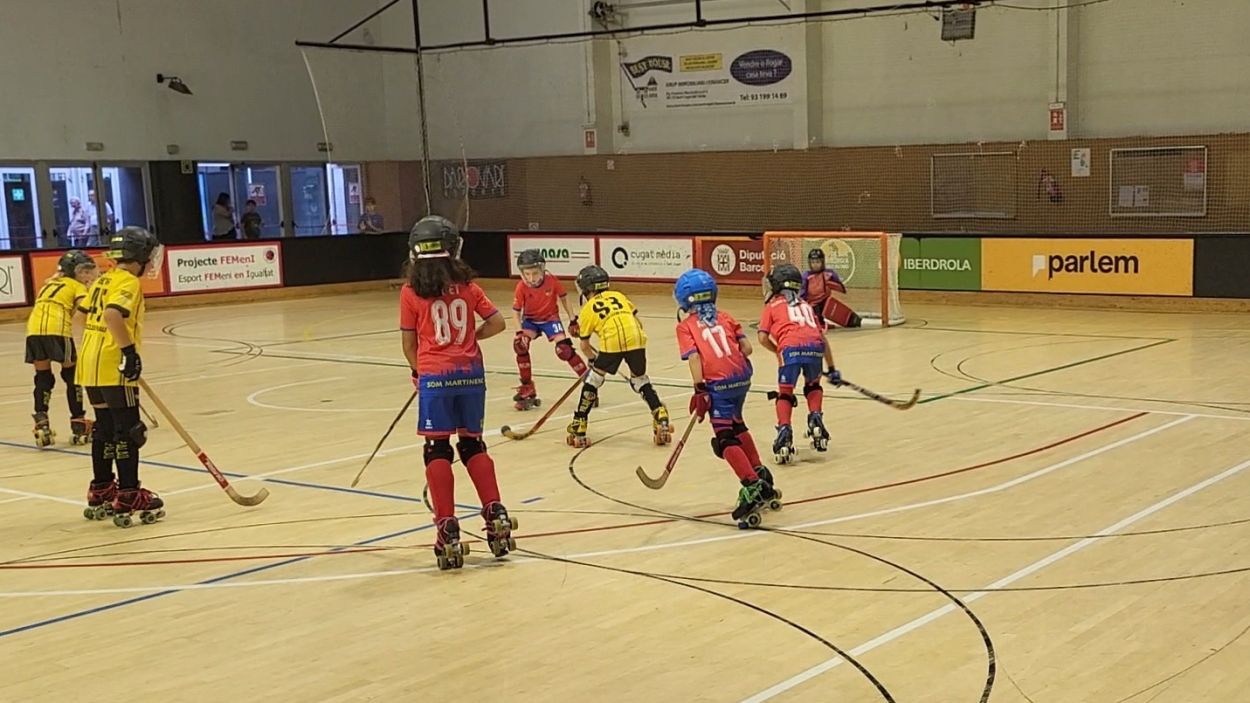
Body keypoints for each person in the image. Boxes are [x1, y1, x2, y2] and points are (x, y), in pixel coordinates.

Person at [400, 215, 515, 570]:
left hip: (436, 377)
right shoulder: (468, 286)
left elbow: (409, 344)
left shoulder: (410, 291)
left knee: (437, 449)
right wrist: (470, 339)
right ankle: (495, 511)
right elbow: (497, 322)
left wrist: (419, 372)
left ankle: (447, 525)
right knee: (471, 445)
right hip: (470, 375)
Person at [674, 269, 781, 528]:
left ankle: (752, 485)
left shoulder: (685, 326)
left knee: (724, 437)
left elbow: (695, 357)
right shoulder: (726, 317)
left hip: (717, 384)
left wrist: (699, 388)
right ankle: (759, 471)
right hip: (743, 378)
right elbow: (747, 348)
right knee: (737, 423)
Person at [76, 227, 165, 526]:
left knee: (103, 428)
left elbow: (81, 315)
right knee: (128, 430)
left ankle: (101, 487)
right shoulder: (127, 282)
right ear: (138, 256)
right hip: (114, 364)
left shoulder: (103, 278)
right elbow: (113, 314)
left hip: (90, 363)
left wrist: (97, 344)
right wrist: (128, 352)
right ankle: (129, 492)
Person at [568, 265, 670, 448]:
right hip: (637, 338)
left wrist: (593, 360)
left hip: (612, 342)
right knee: (640, 380)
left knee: (594, 380)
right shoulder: (619, 296)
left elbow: (584, 345)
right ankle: (659, 412)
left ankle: (579, 423)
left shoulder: (587, 309)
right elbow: (637, 321)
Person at [757, 263, 841, 464]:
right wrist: (831, 368)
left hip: (789, 349)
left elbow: (762, 338)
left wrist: (778, 350)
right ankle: (815, 419)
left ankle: (784, 431)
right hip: (815, 348)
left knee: (785, 393)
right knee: (813, 385)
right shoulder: (807, 306)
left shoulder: (772, 306)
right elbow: (822, 338)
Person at [26, 250, 99, 448]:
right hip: (57, 329)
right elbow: (85, 311)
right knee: (72, 375)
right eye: (83, 271)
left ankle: (41, 423)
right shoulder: (77, 287)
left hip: (33, 330)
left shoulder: (48, 284)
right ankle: (78, 422)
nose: (86, 275)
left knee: (43, 377)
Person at [510, 249, 588, 411]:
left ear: (543, 270)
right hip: (531, 321)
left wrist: (573, 319)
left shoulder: (552, 281)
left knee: (564, 350)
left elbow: (564, 299)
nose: (532, 278)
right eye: (527, 274)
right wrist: (519, 334)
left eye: (535, 273)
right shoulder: (521, 287)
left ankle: (588, 382)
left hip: (550, 319)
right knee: (520, 346)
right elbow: (516, 312)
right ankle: (527, 387)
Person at [802, 248, 862, 329]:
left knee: (845, 317)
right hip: (812, 303)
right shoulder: (806, 276)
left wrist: (832, 280)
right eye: (813, 262)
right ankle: (820, 323)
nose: (815, 264)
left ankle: (853, 320)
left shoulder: (828, 273)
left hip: (826, 301)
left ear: (822, 262)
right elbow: (802, 293)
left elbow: (840, 288)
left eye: (818, 262)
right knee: (815, 317)